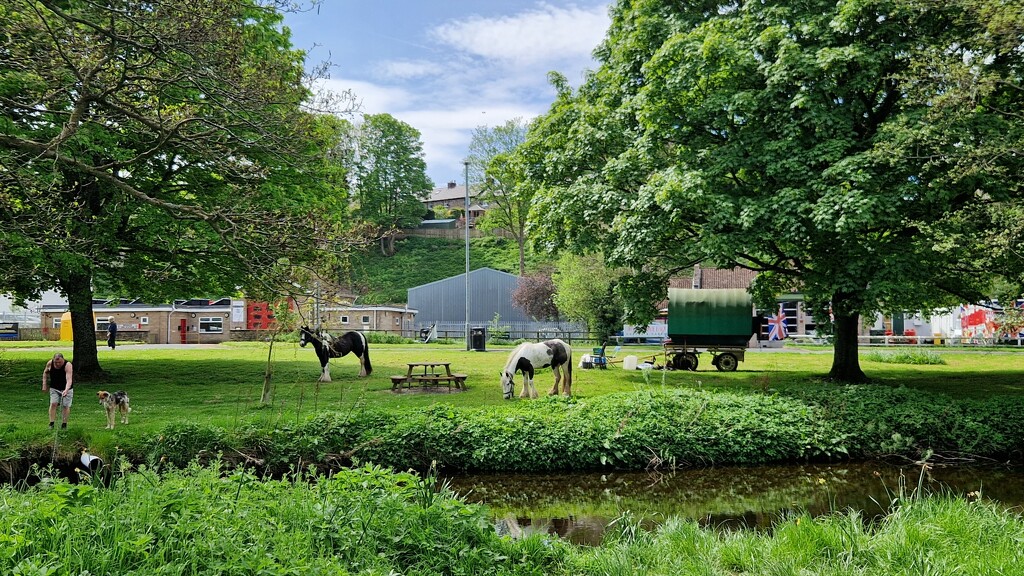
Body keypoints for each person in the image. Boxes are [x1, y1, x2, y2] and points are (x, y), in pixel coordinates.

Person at [42, 352, 74, 429]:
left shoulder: (68, 365)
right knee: (53, 403)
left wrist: (66, 390)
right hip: (54, 388)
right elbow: (45, 372)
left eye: (59, 362)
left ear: (63, 360)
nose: (58, 364)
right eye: (56, 362)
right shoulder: (50, 363)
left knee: (65, 406)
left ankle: (64, 424)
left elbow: (69, 379)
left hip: (66, 388)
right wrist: (44, 384)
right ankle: (51, 423)